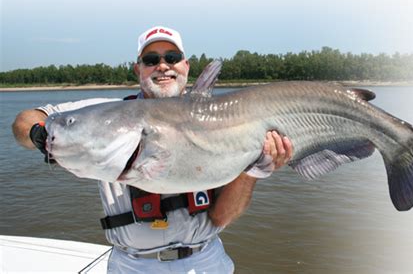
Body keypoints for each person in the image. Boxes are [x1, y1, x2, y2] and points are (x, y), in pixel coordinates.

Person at [12, 25, 293, 273]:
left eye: (172, 58)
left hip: (205, 261)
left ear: (186, 66)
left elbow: (222, 217)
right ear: (138, 69)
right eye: (151, 59)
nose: (162, 65)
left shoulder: (228, 119)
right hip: (131, 264)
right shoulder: (106, 113)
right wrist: (40, 135)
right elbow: (25, 121)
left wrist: (256, 169)